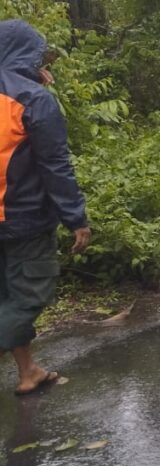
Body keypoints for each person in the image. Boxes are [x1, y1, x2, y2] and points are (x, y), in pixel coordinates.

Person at [0, 20, 91, 395]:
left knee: (6, 297)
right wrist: (76, 219)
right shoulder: (33, 100)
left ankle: (28, 372)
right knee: (27, 296)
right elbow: (54, 165)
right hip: (22, 219)